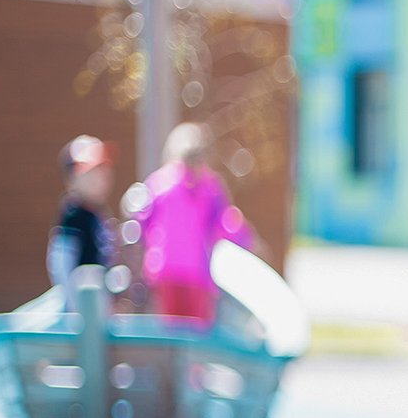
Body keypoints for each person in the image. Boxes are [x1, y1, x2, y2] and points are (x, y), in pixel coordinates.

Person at [133, 122, 255, 324]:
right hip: (169, 271)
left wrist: (242, 236)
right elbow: (142, 220)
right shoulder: (164, 184)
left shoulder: (208, 187)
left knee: (192, 329)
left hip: (193, 272)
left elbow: (224, 222)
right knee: (175, 329)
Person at [48, 134, 118, 307]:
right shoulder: (74, 215)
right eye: (92, 172)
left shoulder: (98, 214)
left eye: (104, 170)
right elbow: (61, 264)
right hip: (80, 304)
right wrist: (75, 307)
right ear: (71, 179)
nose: (101, 177)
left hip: (97, 303)